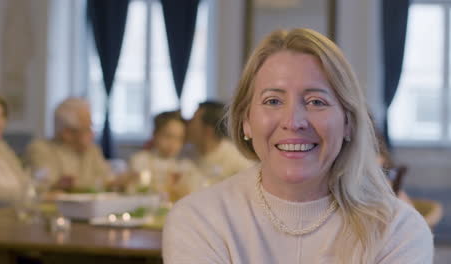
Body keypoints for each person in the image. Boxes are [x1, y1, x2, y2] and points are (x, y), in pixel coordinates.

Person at [163, 28, 433, 263]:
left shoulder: (399, 230)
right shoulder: (199, 219)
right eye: (272, 101)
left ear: (348, 122)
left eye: (316, 101)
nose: (293, 122)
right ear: (246, 121)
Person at [25, 97, 111, 192]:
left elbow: (109, 179)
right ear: (67, 133)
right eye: (87, 129)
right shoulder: (40, 149)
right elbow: (45, 186)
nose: (92, 134)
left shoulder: (92, 150)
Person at [129, 110, 201, 202]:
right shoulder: (140, 160)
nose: (173, 143)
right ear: (155, 134)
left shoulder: (185, 166)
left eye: (179, 138)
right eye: (168, 136)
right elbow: (134, 192)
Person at [186, 101, 252, 185]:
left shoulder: (237, 159)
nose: (187, 124)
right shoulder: (184, 153)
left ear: (208, 130)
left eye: (192, 120)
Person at [0, 85, 28, 207]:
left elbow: (24, 181)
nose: (0, 123)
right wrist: (31, 194)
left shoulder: (0, 147)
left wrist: (30, 192)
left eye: (2, 116)